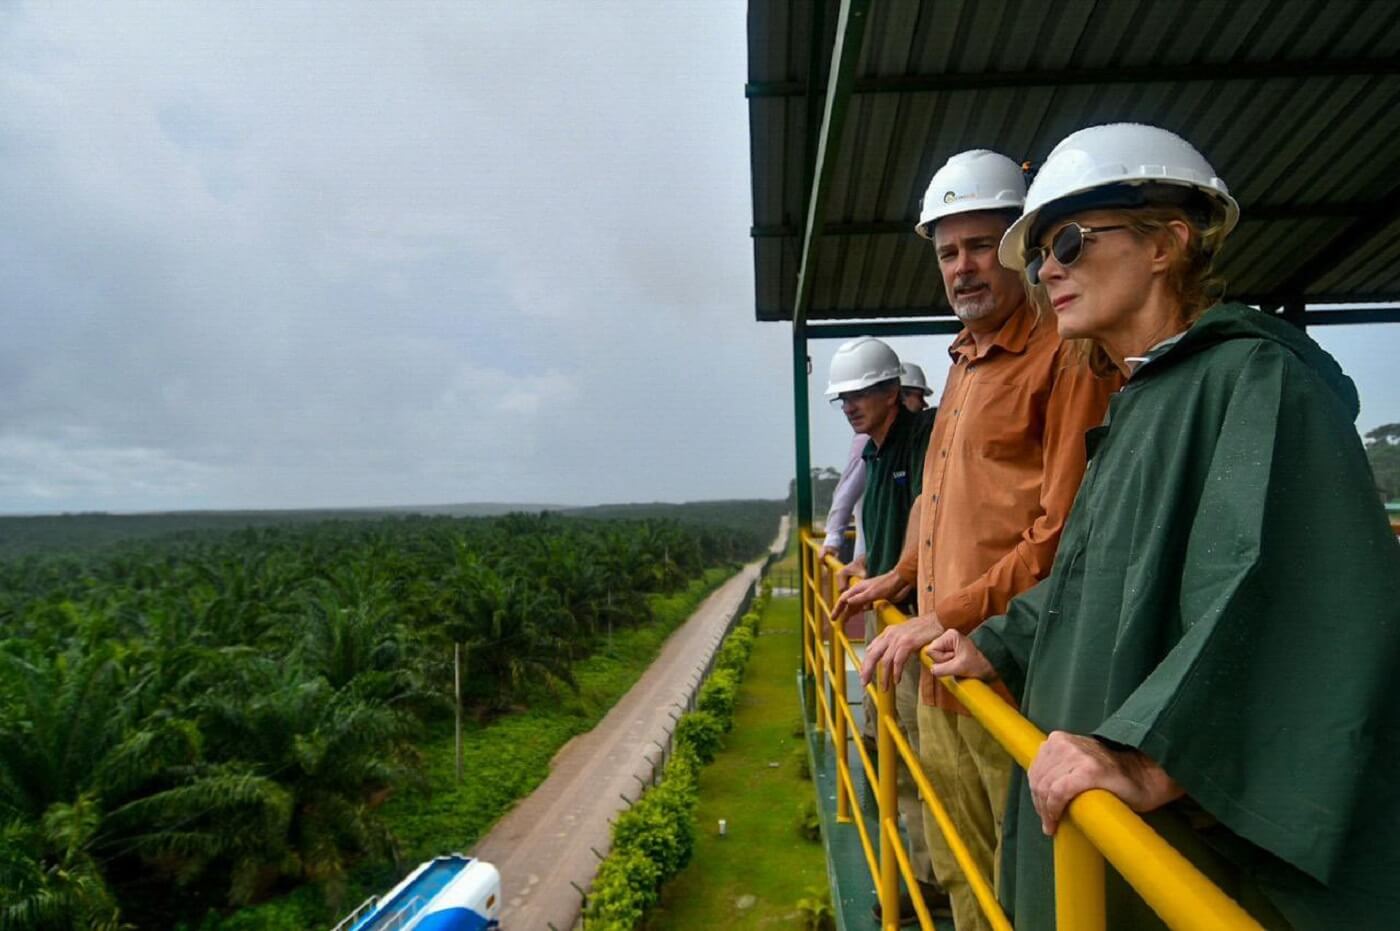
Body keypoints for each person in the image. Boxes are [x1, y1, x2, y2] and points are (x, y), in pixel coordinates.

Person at [928, 122, 1400, 930]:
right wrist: (995, 641)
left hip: (1174, 834)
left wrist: (1146, 756)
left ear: (1167, 244)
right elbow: (1089, 576)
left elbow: (1274, 592)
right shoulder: (1141, 398)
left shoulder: (1255, 378)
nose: (1046, 269)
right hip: (1085, 817)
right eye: (1042, 250)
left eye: (1069, 241)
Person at [836, 149, 1118, 931]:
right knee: (960, 858)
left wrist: (949, 611)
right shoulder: (963, 360)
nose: (962, 267)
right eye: (947, 251)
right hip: (940, 667)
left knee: (1024, 878)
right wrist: (898, 577)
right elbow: (937, 499)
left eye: (980, 246)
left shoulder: (1066, 353)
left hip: (1011, 675)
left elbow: (1060, 532)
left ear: (1022, 246)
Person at [823, 336, 945, 921]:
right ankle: (919, 870)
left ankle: (930, 883)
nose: (849, 405)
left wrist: (899, 576)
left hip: (922, 631)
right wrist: (867, 563)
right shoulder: (874, 452)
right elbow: (887, 522)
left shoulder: (922, 440)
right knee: (889, 754)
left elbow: (928, 512)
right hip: (890, 632)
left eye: (860, 393)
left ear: (894, 392)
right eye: (842, 397)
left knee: (923, 767)